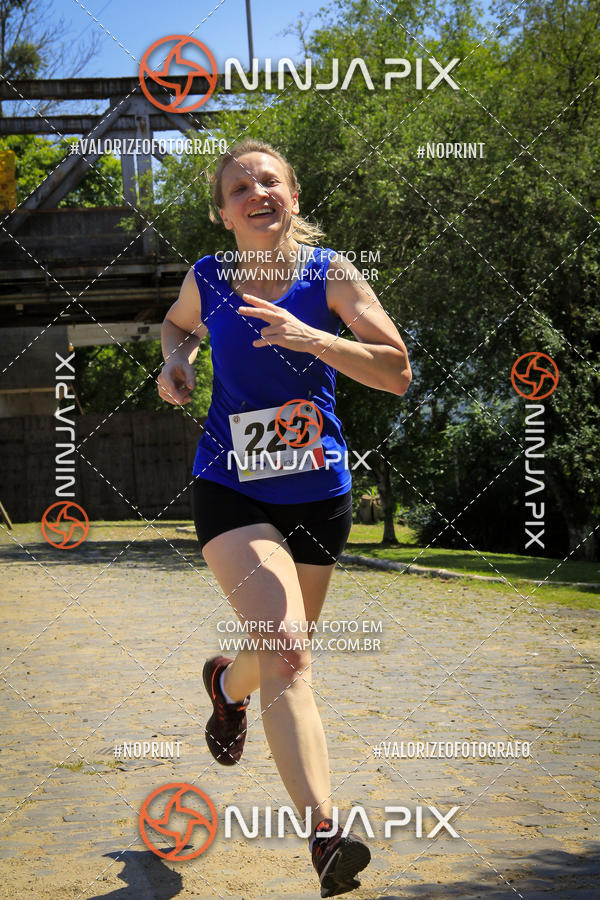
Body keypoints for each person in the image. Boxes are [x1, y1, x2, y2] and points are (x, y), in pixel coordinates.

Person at [157, 139, 411, 898]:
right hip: (230, 484)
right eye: (240, 187)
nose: (257, 192)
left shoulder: (332, 274)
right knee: (292, 655)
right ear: (223, 212)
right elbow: (176, 327)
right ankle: (326, 837)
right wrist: (178, 363)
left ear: (293, 198)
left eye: (271, 181)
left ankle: (224, 686)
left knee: (273, 657)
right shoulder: (209, 277)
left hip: (317, 494)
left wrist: (312, 338)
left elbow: (395, 372)